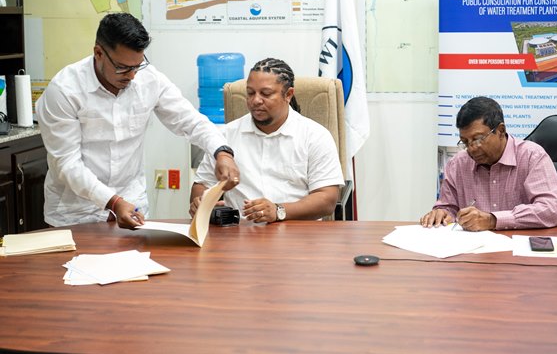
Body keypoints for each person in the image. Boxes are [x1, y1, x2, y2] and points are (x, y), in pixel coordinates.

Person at [36, 12, 240, 229]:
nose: (132, 75)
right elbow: (67, 165)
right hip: (76, 211)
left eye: (137, 66)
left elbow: (190, 121)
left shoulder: (149, 79)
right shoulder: (64, 90)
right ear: (98, 53)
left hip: (132, 205)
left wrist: (222, 153)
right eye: (123, 67)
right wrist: (114, 202)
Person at [190, 57, 344, 223]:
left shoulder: (315, 136)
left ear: (288, 95)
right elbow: (202, 185)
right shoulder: (225, 136)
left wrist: (279, 210)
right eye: (250, 93)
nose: (256, 100)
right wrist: (201, 203)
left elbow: (327, 199)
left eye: (266, 94)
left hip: (296, 232)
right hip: (239, 232)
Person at [420, 96, 557, 231]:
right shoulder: (458, 164)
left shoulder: (532, 156)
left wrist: (492, 220)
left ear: (501, 130)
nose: (472, 148)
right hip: (473, 247)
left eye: (478, 139)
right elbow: (448, 208)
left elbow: (552, 209)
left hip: (517, 245)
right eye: (465, 142)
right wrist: (441, 213)